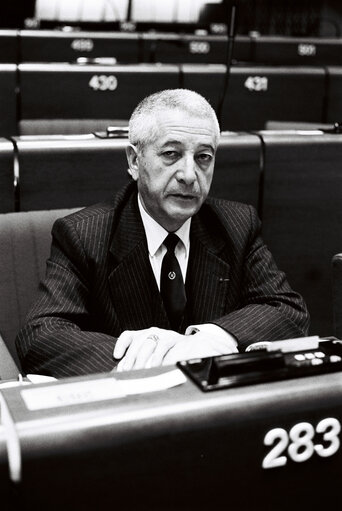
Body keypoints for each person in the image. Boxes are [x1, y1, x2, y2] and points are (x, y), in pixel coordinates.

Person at [16, 89, 309, 378]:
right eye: (171, 154)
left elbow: (286, 309)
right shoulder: (84, 235)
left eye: (204, 157)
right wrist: (144, 359)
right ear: (134, 160)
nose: (189, 174)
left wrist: (212, 339)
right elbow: (40, 335)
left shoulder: (237, 224)